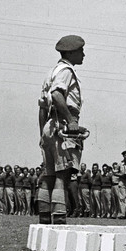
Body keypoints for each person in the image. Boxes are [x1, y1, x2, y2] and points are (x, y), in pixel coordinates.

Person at [36, 35, 90, 225]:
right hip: (64, 125)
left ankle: (44, 218)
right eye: (80, 51)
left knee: (49, 174)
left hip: (49, 126)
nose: (83, 54)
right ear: (70, 52)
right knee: (63, 174)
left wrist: (42, 132)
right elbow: (57, 95)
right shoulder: (66, 71)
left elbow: (42, 106)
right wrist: (70, 121)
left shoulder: (51, 72)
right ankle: (59, 219)